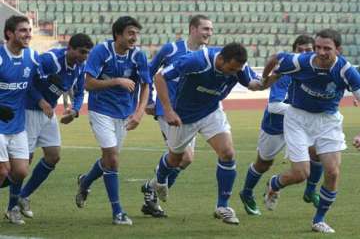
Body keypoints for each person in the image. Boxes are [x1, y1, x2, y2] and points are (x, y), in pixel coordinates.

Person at [152, 43, 264, 225]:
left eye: (236, 70)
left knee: (227, 153)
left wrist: (267, 81)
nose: (232, 73)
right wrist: (168, 110)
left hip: (211, 111)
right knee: (175, 159)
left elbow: (252, 84)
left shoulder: (238, 67)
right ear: (220, 59)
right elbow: (159, 77)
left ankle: (222, 206)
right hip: (184, 115)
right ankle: (160, 178)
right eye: (230, 69)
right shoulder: (196, 60)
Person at [262, 29, 360, 233]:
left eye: (327, 48)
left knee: (332, 172)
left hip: (328, 120)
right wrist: (265, 79)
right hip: (298, 118)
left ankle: (319, 220)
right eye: (318, 48)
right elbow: (275, 58)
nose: (321, 52)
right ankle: (274, 183)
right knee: (300, 173)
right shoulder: (301, 62)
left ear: (338, 50)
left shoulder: (346, 71)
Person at [75, 16, 150, 225]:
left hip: (124, 113)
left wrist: (139, 112)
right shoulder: (102, 52)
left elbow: (146, 85)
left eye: (136, 33)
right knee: (113, 159)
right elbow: (88, 84)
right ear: (118, 35)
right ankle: (118, 211)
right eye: (130, 33)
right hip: (101, 111)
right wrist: (117, 81)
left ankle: (85, 181)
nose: (134, 37)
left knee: (109, 159)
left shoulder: (138, 56)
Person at [239, 35, 324, 215]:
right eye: (300, 50)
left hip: (300, 126)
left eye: (308, 50)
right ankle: (246, 193)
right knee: (263, 164)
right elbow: (274, 105)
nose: (304, 54)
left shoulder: (318, 71)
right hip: (276, 126)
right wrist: (303, 111)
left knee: (317, 152)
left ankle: (310, 191)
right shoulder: (286, 73)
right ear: (294, 52)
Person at [15, 33, 93, 220]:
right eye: (82, 52)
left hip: (47, 113)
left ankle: (23, 196)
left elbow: (80, 93)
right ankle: (12, 206)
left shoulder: (80, 68)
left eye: (87, 53)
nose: (84, 56)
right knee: (24, 162)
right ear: (70, 49)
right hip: (30, 109)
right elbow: (28, 81)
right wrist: (41, 101)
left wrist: (74, 111)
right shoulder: (50, 59)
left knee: (53, 155)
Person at [141, 14, 213, 218]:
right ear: (193, 29)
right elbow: (149, 73)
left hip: (192, 113)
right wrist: (148, 101)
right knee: (184, 156)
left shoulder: (207, 55)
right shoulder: (171, 50)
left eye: (211, 29)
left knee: (185, 160)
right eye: (205, 29)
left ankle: (151, 189)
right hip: (168, 111)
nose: (209, 33)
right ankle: (153, 192)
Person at [0, 15, 43, 225]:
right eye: (23, 30)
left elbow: (37, 82)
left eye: (29, 30)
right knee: (3, 170)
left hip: (18, 125)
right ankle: (12, 209)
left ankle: (11, 210)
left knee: (20, 171)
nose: (28, 34)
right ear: (9, 33)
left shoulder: (32, 57)